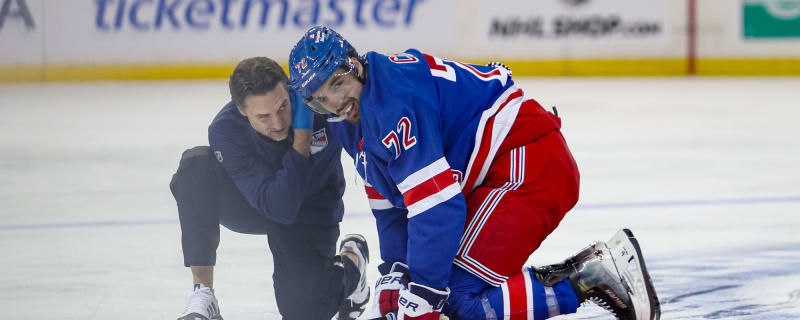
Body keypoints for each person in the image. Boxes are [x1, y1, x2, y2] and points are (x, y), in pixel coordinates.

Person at [287, 26, 661, 320]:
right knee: (430, 290)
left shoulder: (393, 102)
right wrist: (397, 269)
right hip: (499, 170)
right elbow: (389, 203)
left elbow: (436, 208)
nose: (336, 103)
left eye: (338, 84)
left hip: (529, 164)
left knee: (453, 299)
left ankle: (589, 278)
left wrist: (424, 293)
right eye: (321, 98)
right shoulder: (350, 116)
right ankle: (585, 272)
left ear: (355, 64)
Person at [169, 56, 371, 320]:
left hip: (310, 209)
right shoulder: (226, 129)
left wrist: (304, 131)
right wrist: (302, 138)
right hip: (259, 200)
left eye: (283, 107)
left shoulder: (319, 106)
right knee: (195, 167)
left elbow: (287, 210)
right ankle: (202, 293)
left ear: (289, 90)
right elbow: (276, 206)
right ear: (242, 111)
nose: (277, 123)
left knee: (302, 310)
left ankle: (352, 266)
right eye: (263, 116)